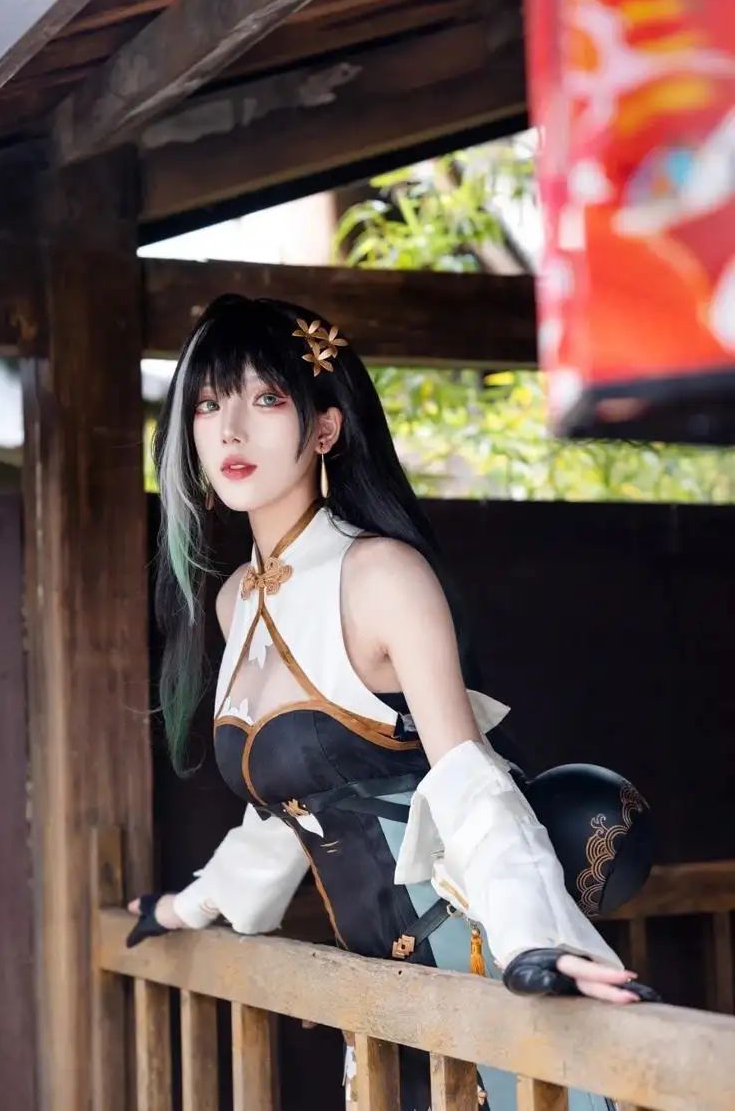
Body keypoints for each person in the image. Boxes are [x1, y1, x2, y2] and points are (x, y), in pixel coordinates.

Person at [128, 294, 657, 1111]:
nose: (229, 429)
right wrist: (182, 906)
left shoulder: (382, 576)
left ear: (326, 428)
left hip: (479, 966)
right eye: (207, 404)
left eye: (266, 398)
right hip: (380, 1003)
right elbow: (285, 815)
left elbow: (469, 779)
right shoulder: (237, 601)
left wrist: (537, 940)